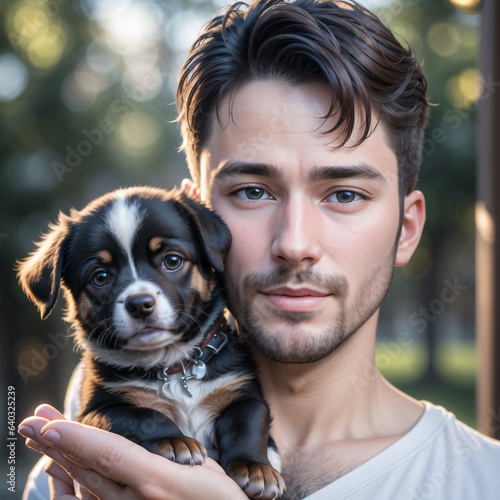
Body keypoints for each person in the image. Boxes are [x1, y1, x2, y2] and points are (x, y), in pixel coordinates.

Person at [19, 0, 500, 499]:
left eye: (344, 194)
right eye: (253, 191)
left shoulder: (481, 481)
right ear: (199, 217)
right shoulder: (95, 420)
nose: (295, 244)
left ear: (406, 228)